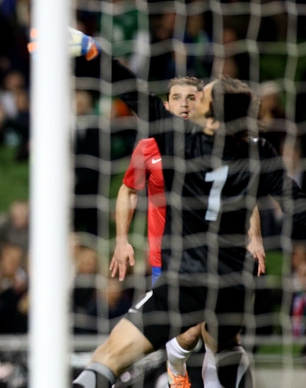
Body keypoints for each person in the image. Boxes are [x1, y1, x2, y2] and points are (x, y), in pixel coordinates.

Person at [70, 30, 306, 388]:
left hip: (185, 278)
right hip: (233, 281)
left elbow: (133, 91)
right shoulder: (261, 152)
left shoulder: (179, 140)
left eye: (201, 98)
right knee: (226, 348)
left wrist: (92, 52)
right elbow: (298, 211)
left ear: (209, 114)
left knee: (107, 358)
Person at [110, 76, 266, 386]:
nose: (184, 103)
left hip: (219, 253)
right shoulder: (149, 147)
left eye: (192, 97)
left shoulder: (222, 144)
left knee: (218, 334)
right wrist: (121, 240)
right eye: (177, 97)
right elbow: (128, 191)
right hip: (168, 257)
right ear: (165, 105)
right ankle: (176, 369)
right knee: (189, 332)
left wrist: (255, 237)